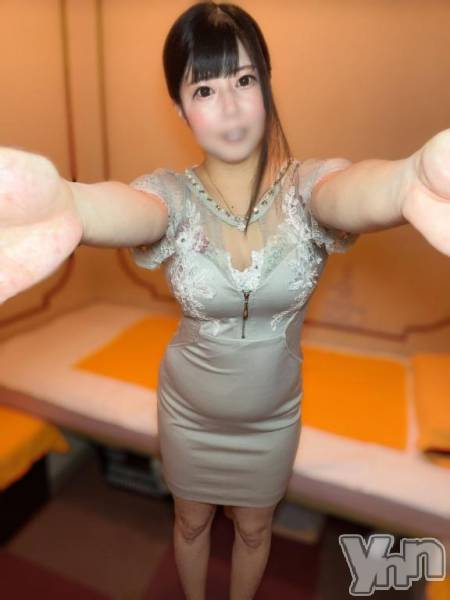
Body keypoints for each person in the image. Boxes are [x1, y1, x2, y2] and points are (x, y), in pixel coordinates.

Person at [0, 2, 449, 599]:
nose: (230, 106)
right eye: (205, 89)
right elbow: (130, 210)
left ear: (266, 83)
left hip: (272, 419)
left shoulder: (307, 187)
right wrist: (73, 205)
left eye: (243, 79)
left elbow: (350, 193)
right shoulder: (171, 196)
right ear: (180, 108)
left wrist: (406, 181)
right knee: (189, 523)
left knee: (255, 530)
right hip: (189, 412)